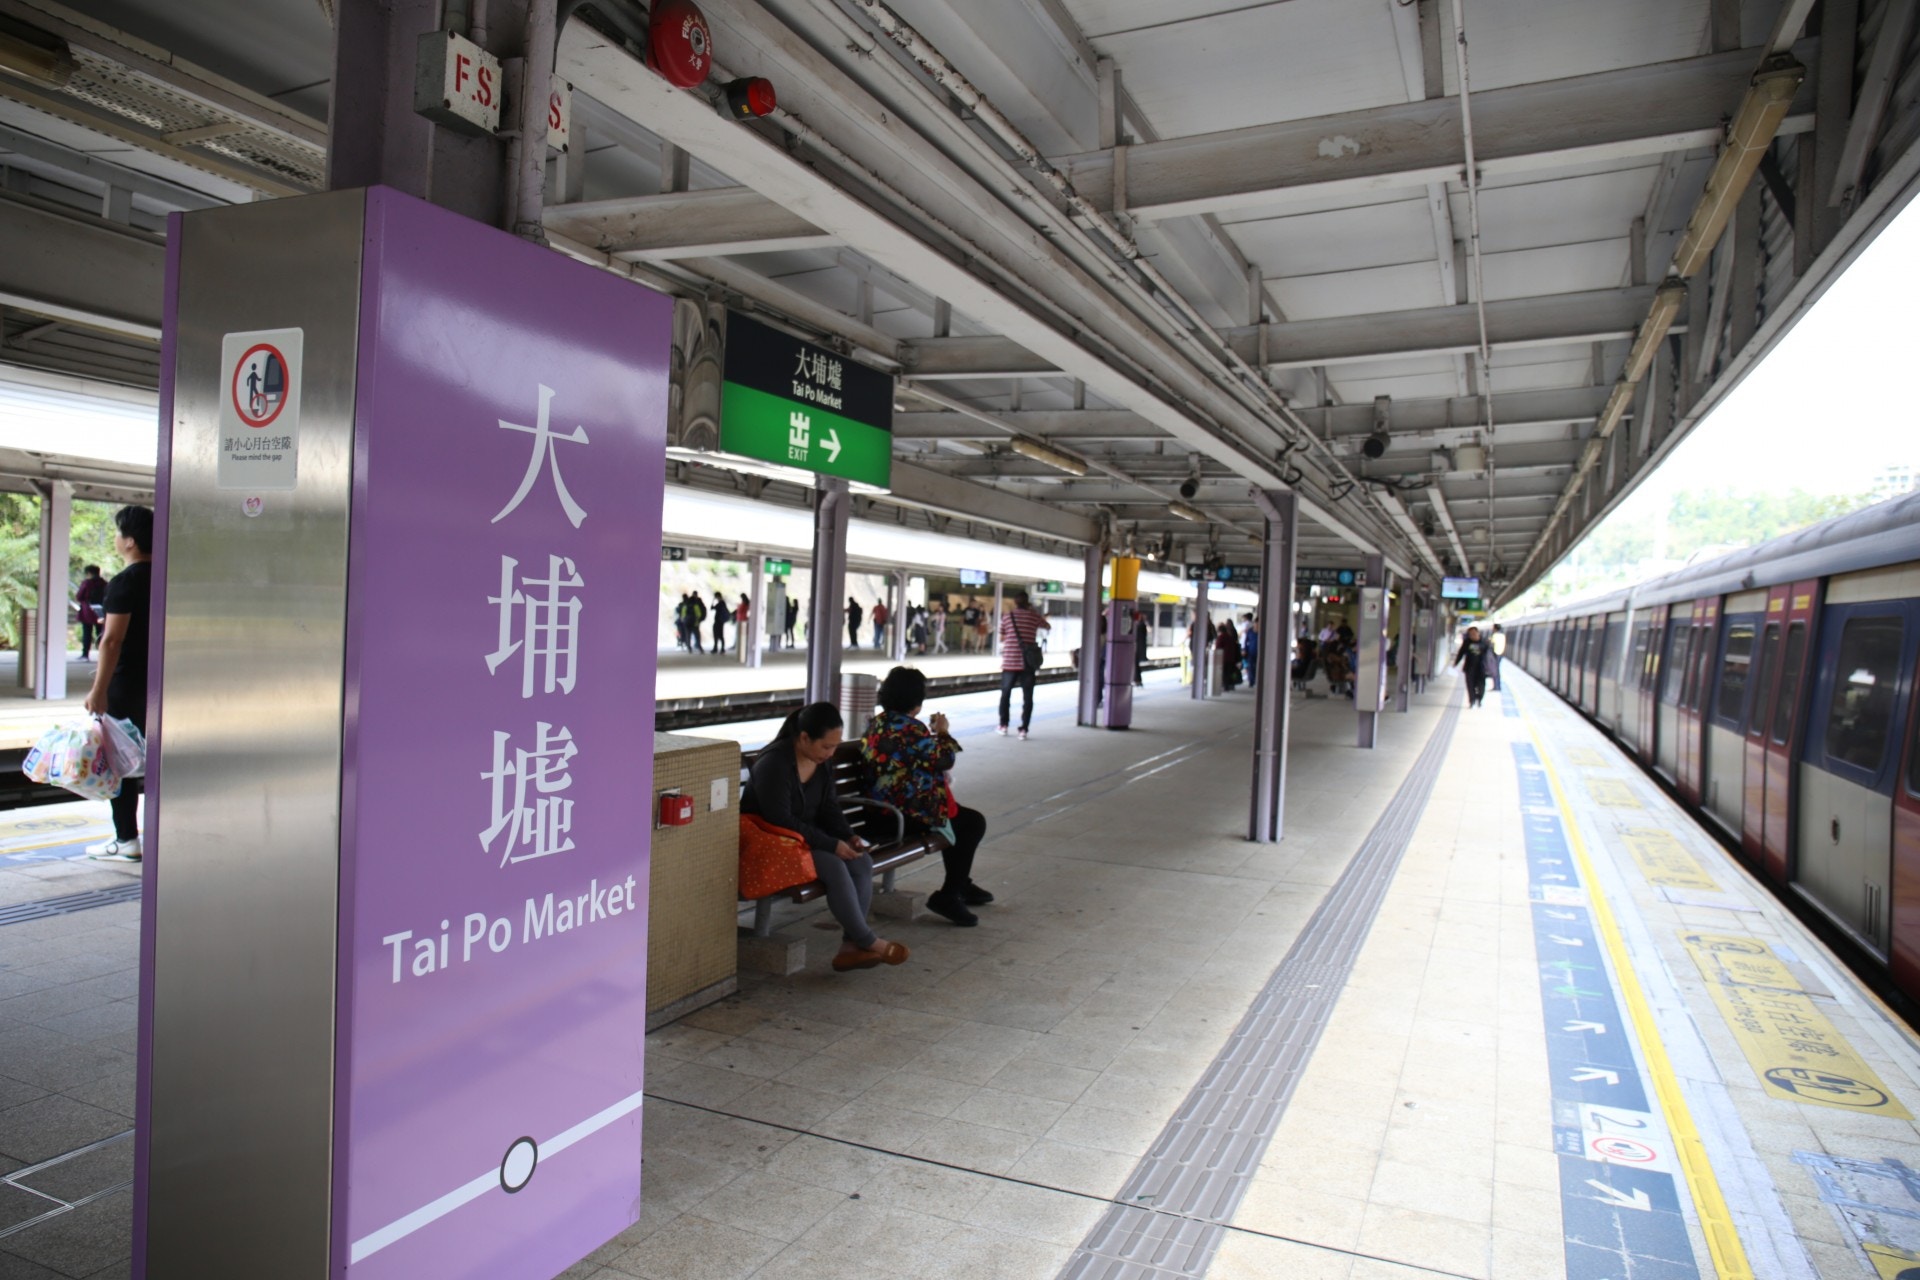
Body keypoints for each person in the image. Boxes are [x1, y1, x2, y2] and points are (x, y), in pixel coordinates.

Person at [742, 703, 909, 971]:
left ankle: (850, 946)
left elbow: (830, 806)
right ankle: (867, 940)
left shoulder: (820, 763)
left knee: (861, 862)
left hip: (805, 837)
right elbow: (778, 819)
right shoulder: (775, 763)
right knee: (834, 866)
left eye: (835, 747)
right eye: (826, 747)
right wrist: (831, 844)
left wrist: (847, 835)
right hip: (775, 840)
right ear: (804, 737)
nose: (831, 753)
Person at [862, 667, 992, 927]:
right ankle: (950, 894)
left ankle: (960, 884)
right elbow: (945, 760)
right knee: (971, 823)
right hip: (899, 816)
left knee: (960, 820)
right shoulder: (911, 729)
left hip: (878, 811)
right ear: (917, 702)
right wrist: (942, 731)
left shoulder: (878, 723)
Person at [85, 506, 153, 862]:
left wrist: (98, 690)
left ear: (129, 541)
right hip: (161, 685)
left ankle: (127, 839)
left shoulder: (125, 582)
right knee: (158, 761)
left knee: (121, 761)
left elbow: (112, 640)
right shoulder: (169, 578)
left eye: (117, 533)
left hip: (125, 687)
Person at [996, 590, 1050, 738]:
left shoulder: (1007, 617)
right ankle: (1024, 729)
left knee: (1005, 694)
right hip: (1028, 663)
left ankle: (1003, 725)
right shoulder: (1033, 616)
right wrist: (1033, 613)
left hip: (1010, 663)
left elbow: (1001, 637)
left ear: (1015, 602)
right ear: (1027, 602)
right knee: (1028, 697)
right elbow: (1047, 626)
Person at [1454, 625, 1491, 709]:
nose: (1472, 635)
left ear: (1478, 633)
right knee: (1470, 685)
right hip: (1469, 668)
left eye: (1474, 633)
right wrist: (1456, 663)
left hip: (1482, 668)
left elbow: (1489, 656)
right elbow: (1461, 652)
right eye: (1470, 634)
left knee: (1481, 685)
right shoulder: (1467, 642)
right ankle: (1472, 701)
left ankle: (1479, 698)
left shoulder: (1485, 642)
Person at [75, 564, 106, 661]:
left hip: (87, 611)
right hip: (100, 611)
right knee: (100, 633)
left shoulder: (86, 583)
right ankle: (103, 654)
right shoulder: (104, 583)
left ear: (88, 573)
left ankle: (85, 654)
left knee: (87, 633)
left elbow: (79, 596)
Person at [1240, 612, 1259, 688]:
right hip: (1251, 651)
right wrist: (1244, 649)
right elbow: (1246, 641)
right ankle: (1251, 681)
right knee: (1250, 666)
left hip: (1259, 652)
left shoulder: (1263, 632)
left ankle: (1256, 680)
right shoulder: (1250, 631)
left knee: (1257, 667)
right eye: (1256, 623)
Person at [1132, 608, 1149, 686]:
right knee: (1135, 664)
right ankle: (1137, 680)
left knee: (1135, 664)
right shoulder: (1142, 625)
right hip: (1139, 647)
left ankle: (1137, 680)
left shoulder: (1140, 625)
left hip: (1137, 647)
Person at [710, 590, 729, 656]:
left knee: (719, 635)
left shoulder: (721, 603)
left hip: (719, 621)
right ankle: (717, 648)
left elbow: (713, 608)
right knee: (717, 635)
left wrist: (713, 601)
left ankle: (721, 648)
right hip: (718, 621)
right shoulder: (721, 603)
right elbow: (712, 608)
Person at [1489, 623, 1507, 691]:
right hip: (1501, 654)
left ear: (1495, 628)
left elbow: (1491, 643)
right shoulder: (1503, 635)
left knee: (1495, 670)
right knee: (1497, 670)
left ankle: (1496, 686)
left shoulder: (1495, 635)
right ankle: (1498, 686)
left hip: (1495, 654)